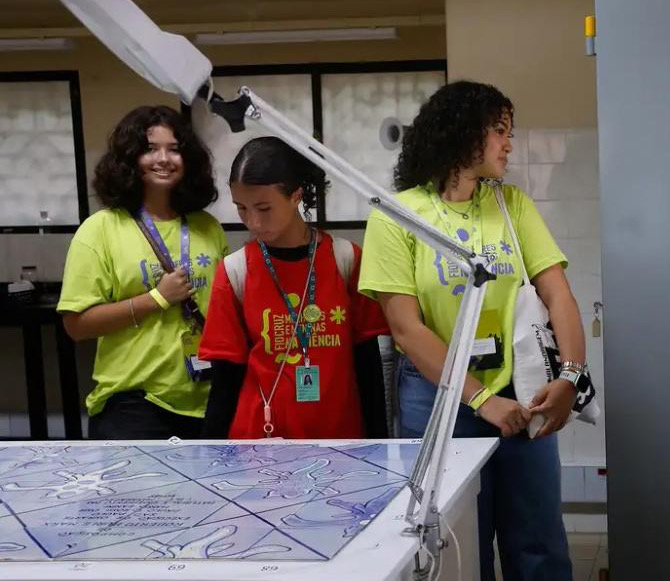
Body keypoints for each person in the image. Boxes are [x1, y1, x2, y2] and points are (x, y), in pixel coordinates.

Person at [359, 81, 585, 581]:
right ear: (464, 134)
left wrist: (571, 376)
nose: (509, 144)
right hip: (440, 403)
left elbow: (558, 294)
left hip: (522, 393)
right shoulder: (398, 216)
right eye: (500, 131)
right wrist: (481, 400)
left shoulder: (512, 205)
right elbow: (406, 329)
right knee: (459, 547)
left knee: (540, 544)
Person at [197, 136, 389, 439]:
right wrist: (211, 457)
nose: (253, 222)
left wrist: (381, 443)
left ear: (296, 196)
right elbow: (226, 379)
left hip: (342, 442)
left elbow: (367, 362)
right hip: (260, 446)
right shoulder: (236, 271)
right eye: (242, 208)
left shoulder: (346, 259)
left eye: (263, 208)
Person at [59, 105, 228, 440]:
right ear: (129, 158)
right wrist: (157, 298)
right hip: (133, 402)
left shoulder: (207, 227)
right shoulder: (100, 229)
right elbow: (76, 325)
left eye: (174, 149)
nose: (163, 159)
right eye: (150, 149)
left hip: (208, 398)